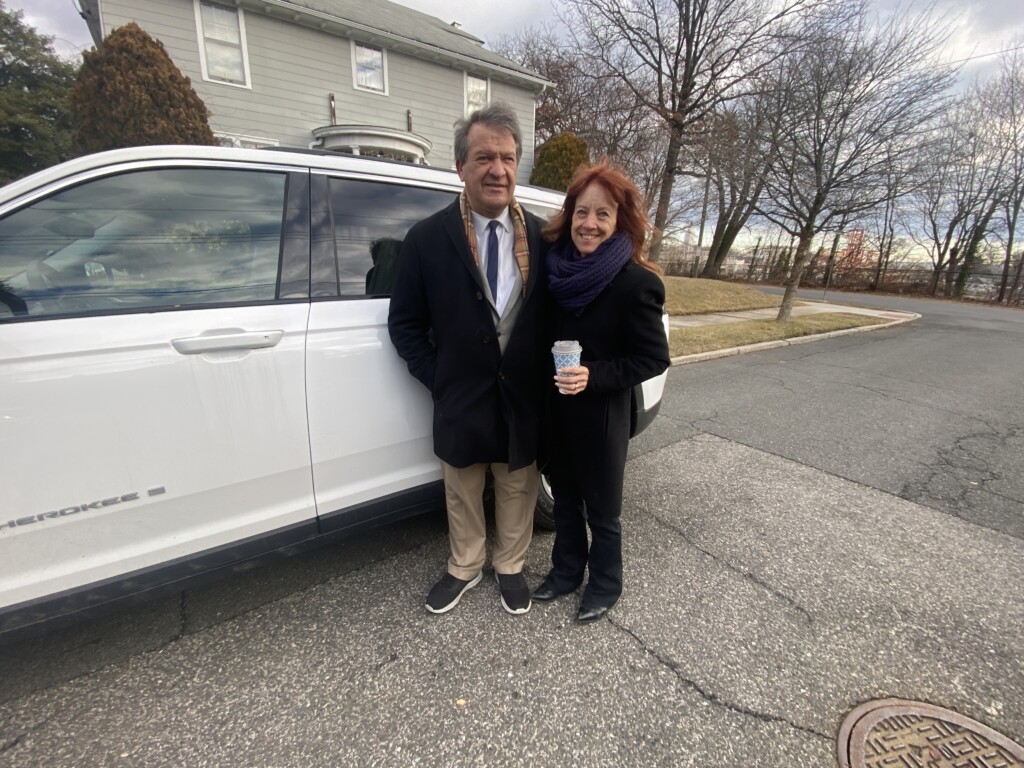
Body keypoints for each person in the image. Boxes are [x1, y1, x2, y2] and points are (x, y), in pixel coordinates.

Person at [388, 102, 549, 616]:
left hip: (522, 392)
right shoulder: (426, 240)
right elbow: (405, 325)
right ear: (461, 167)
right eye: (483, 157)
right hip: (460, 394)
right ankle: (464, 565)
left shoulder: (545, 240)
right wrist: (441, 379)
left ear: (517, 163)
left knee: (518, 483)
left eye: (506, 157)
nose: (497, 170)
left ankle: (510, 565)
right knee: (461, 485)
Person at [531, 160, 671, 624]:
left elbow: (652, 359)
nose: (589, 224)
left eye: (603, 214)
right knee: (565, 501)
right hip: (556, 411)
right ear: (569, 215)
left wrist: (594, 374)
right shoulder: (554, 271)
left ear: (619, 221)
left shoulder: (637, 283)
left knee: (602, 511)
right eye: (581, 212)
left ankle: (607, 584)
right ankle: (567, 572)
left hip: (602, 415)